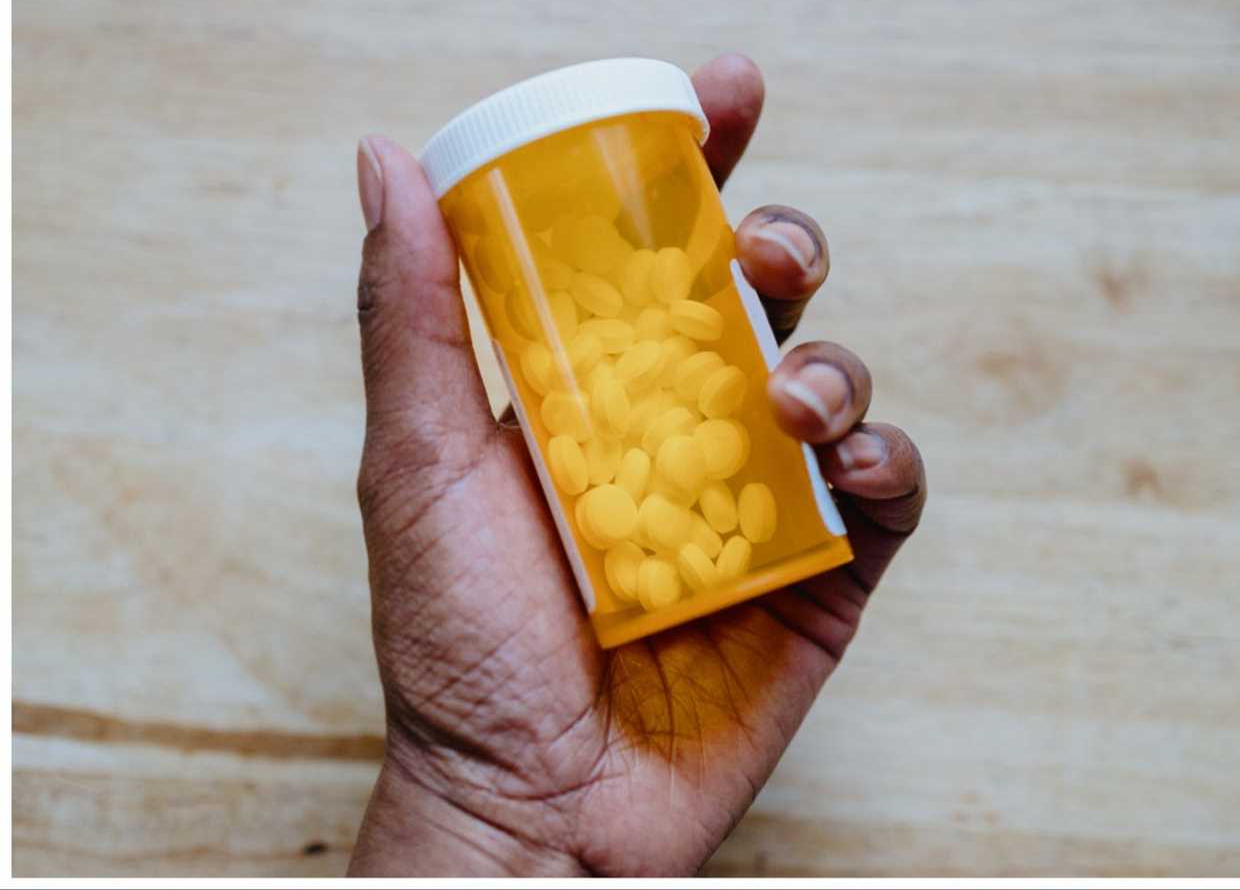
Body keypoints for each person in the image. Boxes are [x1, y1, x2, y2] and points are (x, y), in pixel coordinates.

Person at [347, 54, 927, 876]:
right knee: (717, 342)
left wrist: (498, 821)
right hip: (599, 668)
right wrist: (491, 805)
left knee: (728, 345)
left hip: (678, 604)